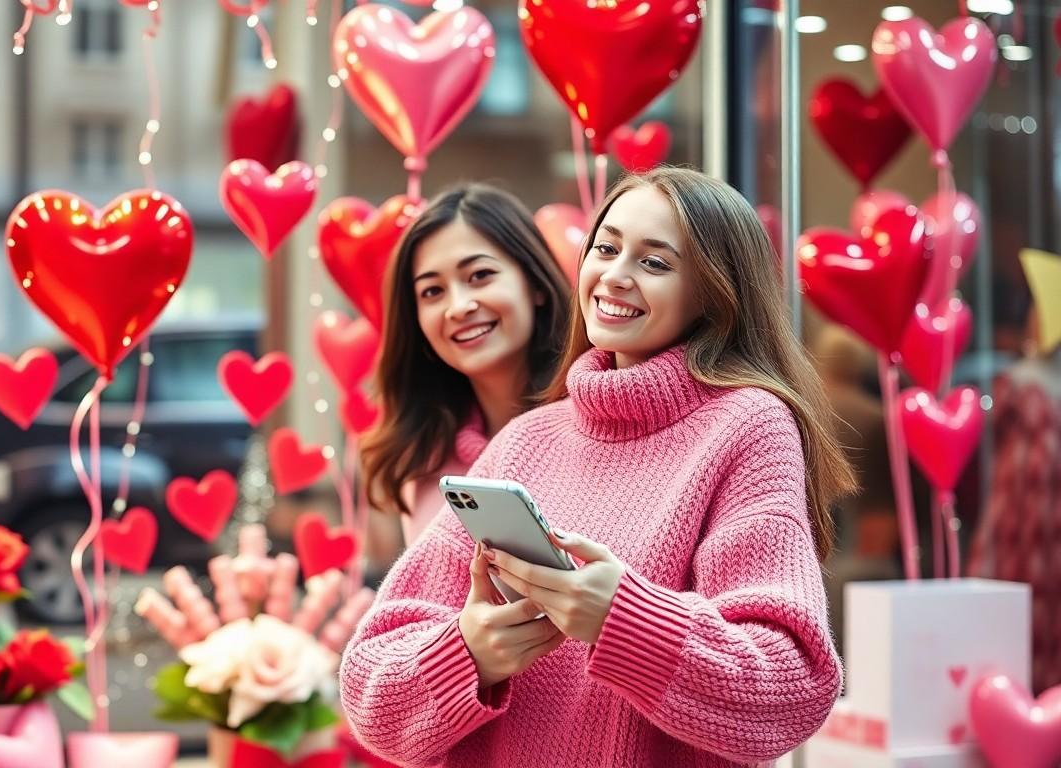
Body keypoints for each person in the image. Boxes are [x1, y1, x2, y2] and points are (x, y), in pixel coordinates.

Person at [341, 168, 857, 767]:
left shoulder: (749, 427)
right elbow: (368, 690)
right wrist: (467, 652)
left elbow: (791, 687)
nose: (614, 275)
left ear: (714, 291)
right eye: (606, 248)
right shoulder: (525, 440)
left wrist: (624, 619)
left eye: (655, 262)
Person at [359, 183, 571, 547]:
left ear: (535, 283)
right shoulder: (423, 459)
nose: (458, 307)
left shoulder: (599, 429)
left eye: (479, 276)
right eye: (432, 292)